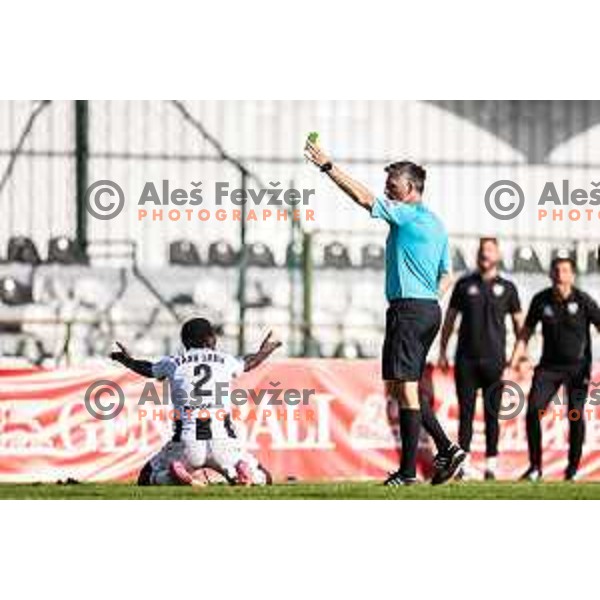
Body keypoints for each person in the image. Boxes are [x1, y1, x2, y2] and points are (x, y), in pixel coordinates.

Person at [305, 139, 465, 486]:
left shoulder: (406, 214)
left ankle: (411, 471)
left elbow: (363, 199)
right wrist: (426, 301)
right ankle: (446, 450)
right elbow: (447, 275)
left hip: (409, 310)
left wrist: (328, 167)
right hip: (425, 309)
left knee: (404, 388)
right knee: (400, 387)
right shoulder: (436, 223)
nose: (386, 191)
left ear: (411, 188)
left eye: (392, 186)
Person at [111, 318, 281, 485]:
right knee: (265, 477)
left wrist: (126, 360)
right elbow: (250, 362)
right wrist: (265, 350)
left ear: (185, 341)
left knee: (146, 477)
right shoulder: (226, 360)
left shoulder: (173, 362)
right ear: (210, 339)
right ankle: (243, 472)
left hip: (187, 444)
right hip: (224, 444)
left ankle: (170, 476)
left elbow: (148, 369)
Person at [439, 238, 523, 480]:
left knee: (492, 414)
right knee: (465, 414)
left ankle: (491, 466)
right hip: (465, 360)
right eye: (481, 250)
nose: (484, 254)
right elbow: (450, 320)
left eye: (489, 250)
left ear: (497, 255)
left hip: (495, 361)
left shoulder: (508, 288)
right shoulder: (465, 284)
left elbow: (520, 325)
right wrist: (443, 350)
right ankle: (462, 466)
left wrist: (520, 356)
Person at [509, 257, 600, 481]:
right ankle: (535, 468)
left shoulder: (583, 300)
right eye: (556, 270)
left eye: (565, 270)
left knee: (575, 415)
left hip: (578, 368)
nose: (560, 275)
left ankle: (573, 470)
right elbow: (526, 332)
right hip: (548, 368)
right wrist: (515, 358)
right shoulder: (541, 300)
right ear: (550, 274)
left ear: (572, 275)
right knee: (533, 412)